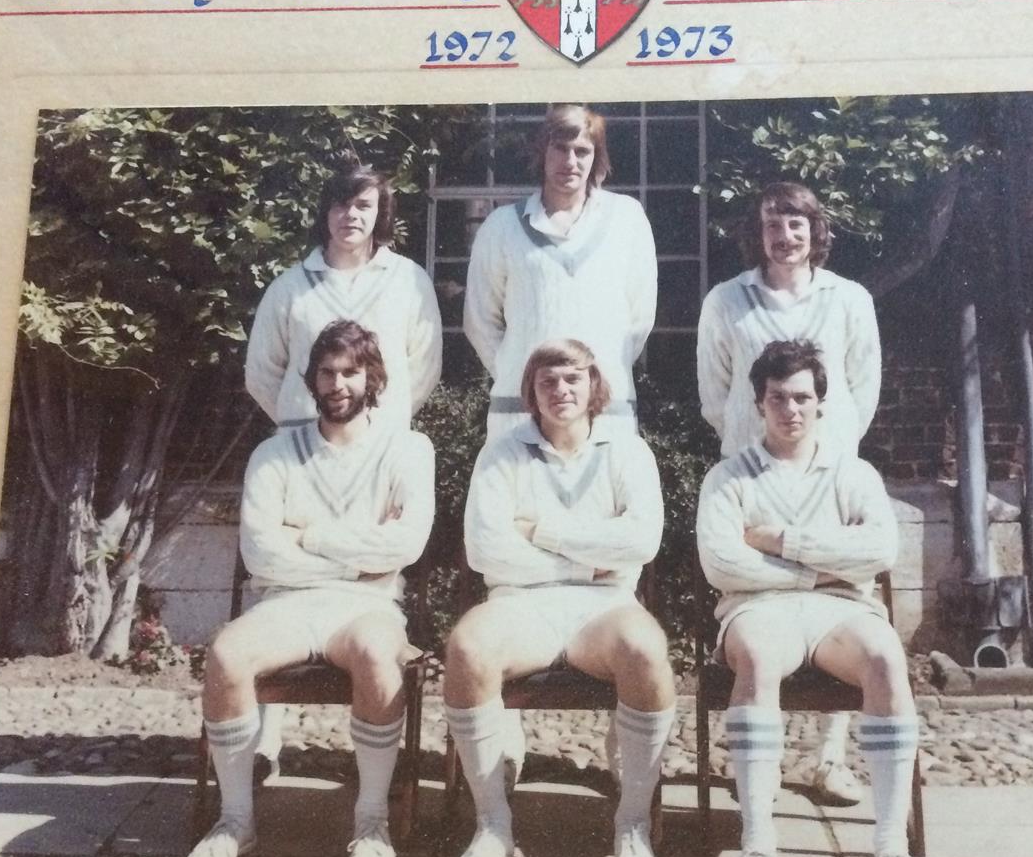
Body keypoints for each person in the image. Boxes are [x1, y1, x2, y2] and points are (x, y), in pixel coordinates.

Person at [181, 318, 434, 857]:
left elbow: (406, 545)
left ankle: (371, 822)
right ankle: (234, 820)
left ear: (373, 378)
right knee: (227, 655)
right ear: (311, 380)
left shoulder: (408, 449)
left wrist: (310, 535)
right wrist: (361, 553)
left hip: (369, 604)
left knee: (375, 651)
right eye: (327, 372)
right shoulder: (274, 453)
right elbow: (262, 553)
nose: (339, 383)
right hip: (286, 603)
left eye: (351, 371)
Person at [695, 339, 930, 857]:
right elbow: (721, 563)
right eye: (778, 398)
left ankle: (891, 853)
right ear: (759, 403)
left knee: (883, 655)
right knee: (753, 652)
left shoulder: (853, 473)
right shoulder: (730, 476)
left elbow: (878, 550)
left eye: (802, 397)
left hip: (841, 613)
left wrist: (782, 542)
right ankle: (757, 849)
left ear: (821, 404)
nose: (790, 409)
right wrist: (825, 567)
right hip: (760, 610)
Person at [444, 339, 675, 857]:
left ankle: (633, 826)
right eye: (548, 381)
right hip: (520, 604)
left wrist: (542, 532)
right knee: (469, 648)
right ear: (531, 392)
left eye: (572, 379)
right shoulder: (501, 453)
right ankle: (492, 824)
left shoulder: (627, 452)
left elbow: (641, 542)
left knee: (645, 649)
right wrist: (590, 560)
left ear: (594, 385)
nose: (561, 391)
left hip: (605, 606)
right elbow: (485, 550)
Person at [245, 160, 442, 775]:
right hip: (304, 451)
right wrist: (306, 423)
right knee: (281, 586)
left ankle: (373, 758)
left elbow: (424, 364)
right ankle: (261, 743)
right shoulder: (290, 285)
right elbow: (263, 372)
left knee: (371, 586)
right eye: (340, 204)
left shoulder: (408, 280)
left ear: (380, 213)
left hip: (378, 452)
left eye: (363, 205)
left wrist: (377, 437)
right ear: (325, 211)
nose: (350, 216)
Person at [696, 180, 882, 808]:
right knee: (762, 610)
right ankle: (761, 757)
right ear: (758, 234)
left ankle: (830, 759)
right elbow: (715, 393)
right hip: (754, 476)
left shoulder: (849, 299)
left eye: (797, 224)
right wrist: (756, 442)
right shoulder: (728, 300)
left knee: (843, 601)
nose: (785, 236)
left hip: (828, 471)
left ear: (815, 231)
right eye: (773, 225)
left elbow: (863, 384)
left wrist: (830, 449)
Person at [463, 103, 658, 440]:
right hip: (520, 415)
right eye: (560, 149)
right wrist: (524, 378)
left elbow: (638, 320)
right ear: (543, 152)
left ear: (596, 156)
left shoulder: (627, 218)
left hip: (606, 412)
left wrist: (596, 377)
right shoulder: (501, 226)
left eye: (582, 151)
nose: (570, 162)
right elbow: (480, 321)